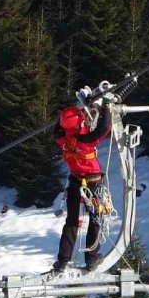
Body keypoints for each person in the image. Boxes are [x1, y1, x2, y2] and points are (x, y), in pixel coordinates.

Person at [52, 101, 112, 273]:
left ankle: (63, 261)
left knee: (72, 221)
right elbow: (104, 127)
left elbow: (59, 126)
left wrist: (74, 109)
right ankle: (92, 259)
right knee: (95, 219)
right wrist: (106, 107)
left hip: (75, 181)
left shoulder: (61, 138)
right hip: (92, 183)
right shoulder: (85, 141)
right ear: (78, 124)